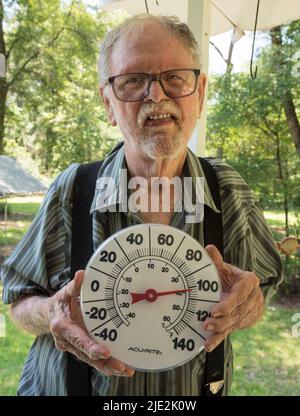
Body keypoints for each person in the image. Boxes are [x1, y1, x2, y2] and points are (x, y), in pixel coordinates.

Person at [0, 14, 282, 396]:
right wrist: (51, 311)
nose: (157, 96)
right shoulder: (74, 189)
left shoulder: (228, 191)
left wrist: (249, 306)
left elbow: (261, 290)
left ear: (199, 92)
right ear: (109, 103)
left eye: (175, 78)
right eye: (133, 80)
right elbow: (18, 299)